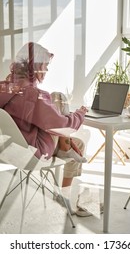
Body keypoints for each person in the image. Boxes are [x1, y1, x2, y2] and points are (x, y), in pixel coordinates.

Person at [0, 42, 93, 216]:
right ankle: (65, 196)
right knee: (58, 98)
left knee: (77, 143)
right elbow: (62, 126)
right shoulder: (33, 95)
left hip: (11, 149)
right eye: (46, 66)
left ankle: (66, 147)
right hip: (35, 152)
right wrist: (80, 114)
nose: (47, 71)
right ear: (36, 66)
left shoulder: (5, 87)